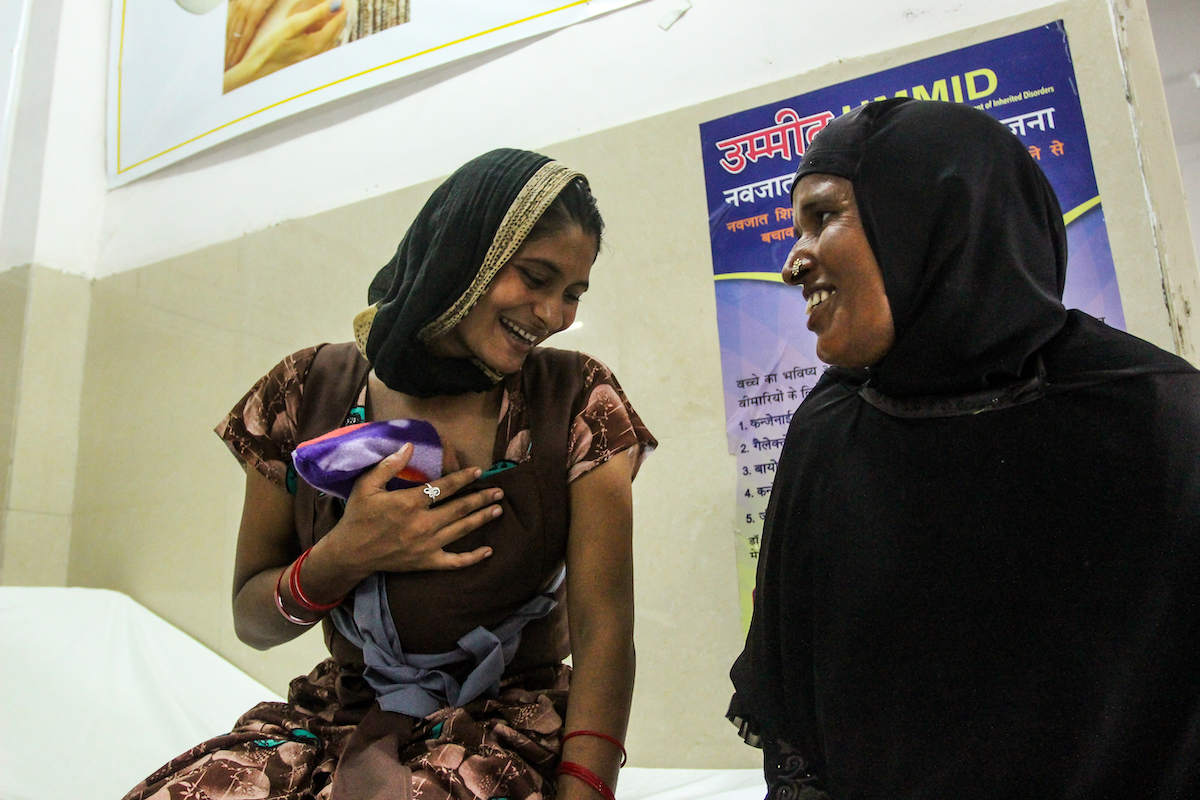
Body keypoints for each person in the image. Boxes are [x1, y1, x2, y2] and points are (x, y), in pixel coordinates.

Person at [125, 149, 655, 800]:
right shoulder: (304, 393)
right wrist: (342, 556)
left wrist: (584, 792)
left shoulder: (578, 401)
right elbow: (251, 621)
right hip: (341, 719)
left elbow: (606, 635)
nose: (552, 313)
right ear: (464, 254)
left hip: (502, 731)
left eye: (572, 293)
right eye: (535, 277)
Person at [728, 98, 1200, 800]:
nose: (793, 263)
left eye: (824, 216)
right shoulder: (830, 432)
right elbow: (799, 722)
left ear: (932, 214)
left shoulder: (1159, 422)